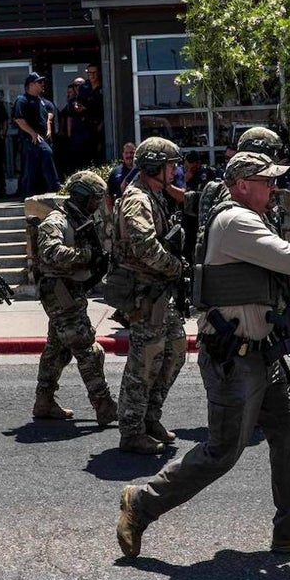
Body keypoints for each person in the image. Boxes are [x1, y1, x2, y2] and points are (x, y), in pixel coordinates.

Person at [116, 151, 290, 558]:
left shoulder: (247, 219)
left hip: (262, 355)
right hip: (232, 360)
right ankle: (142, 503)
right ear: (241, 185)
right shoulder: (235, 219)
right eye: (266, 180)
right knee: (221, 452)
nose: (273, 187)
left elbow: (261, 272)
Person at [113, 137, 187, 454]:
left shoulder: (154, 195)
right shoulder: (137, 200)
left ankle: (149, 418)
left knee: (176, 350)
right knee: (144, 363)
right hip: (144, 293)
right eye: (171, 165)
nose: (175, 170)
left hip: (159, 292)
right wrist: (175, 267)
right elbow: (144, 247)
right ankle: (131, 431)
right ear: (155, 166)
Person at [31, 170, 118, 425]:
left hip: (71, 290)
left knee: (57, 350)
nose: (97, 204)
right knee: (86, 348)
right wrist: (86, 256)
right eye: (94, 198)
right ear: (81, 195)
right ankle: (104, 405)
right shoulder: (56, 221)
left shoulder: (79, 219)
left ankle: (44, 401)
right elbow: (50, 252)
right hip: (59, 290)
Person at [13, 72, 60, 196]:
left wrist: (48, 130)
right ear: (31, 84)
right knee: (46, 153)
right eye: (39, 82)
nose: (42, 84)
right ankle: (55, 186)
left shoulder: (42, 101)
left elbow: (48, 118)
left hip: (43, 137)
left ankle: (29, 194)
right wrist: (32, 133)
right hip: (31, 139)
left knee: (31, 168)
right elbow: (19, 119)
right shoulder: (22, 100)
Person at [82, 63, 105, 164]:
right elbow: (79, 103)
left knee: (100, 150)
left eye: (94, 72)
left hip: (101, 123)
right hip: (86, 124)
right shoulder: (84, 87)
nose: (92, 75)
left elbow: (107, 107)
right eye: (89, 72)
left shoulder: (104, 86)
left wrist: (102, 123)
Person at [106, 141, 136, 210]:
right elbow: (108, 196)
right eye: (126, 153)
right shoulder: (115, 172)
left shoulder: (142, 172)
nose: (129, 155)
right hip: (120, 211)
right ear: (123, 154)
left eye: (131, 153)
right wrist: (112, 217)